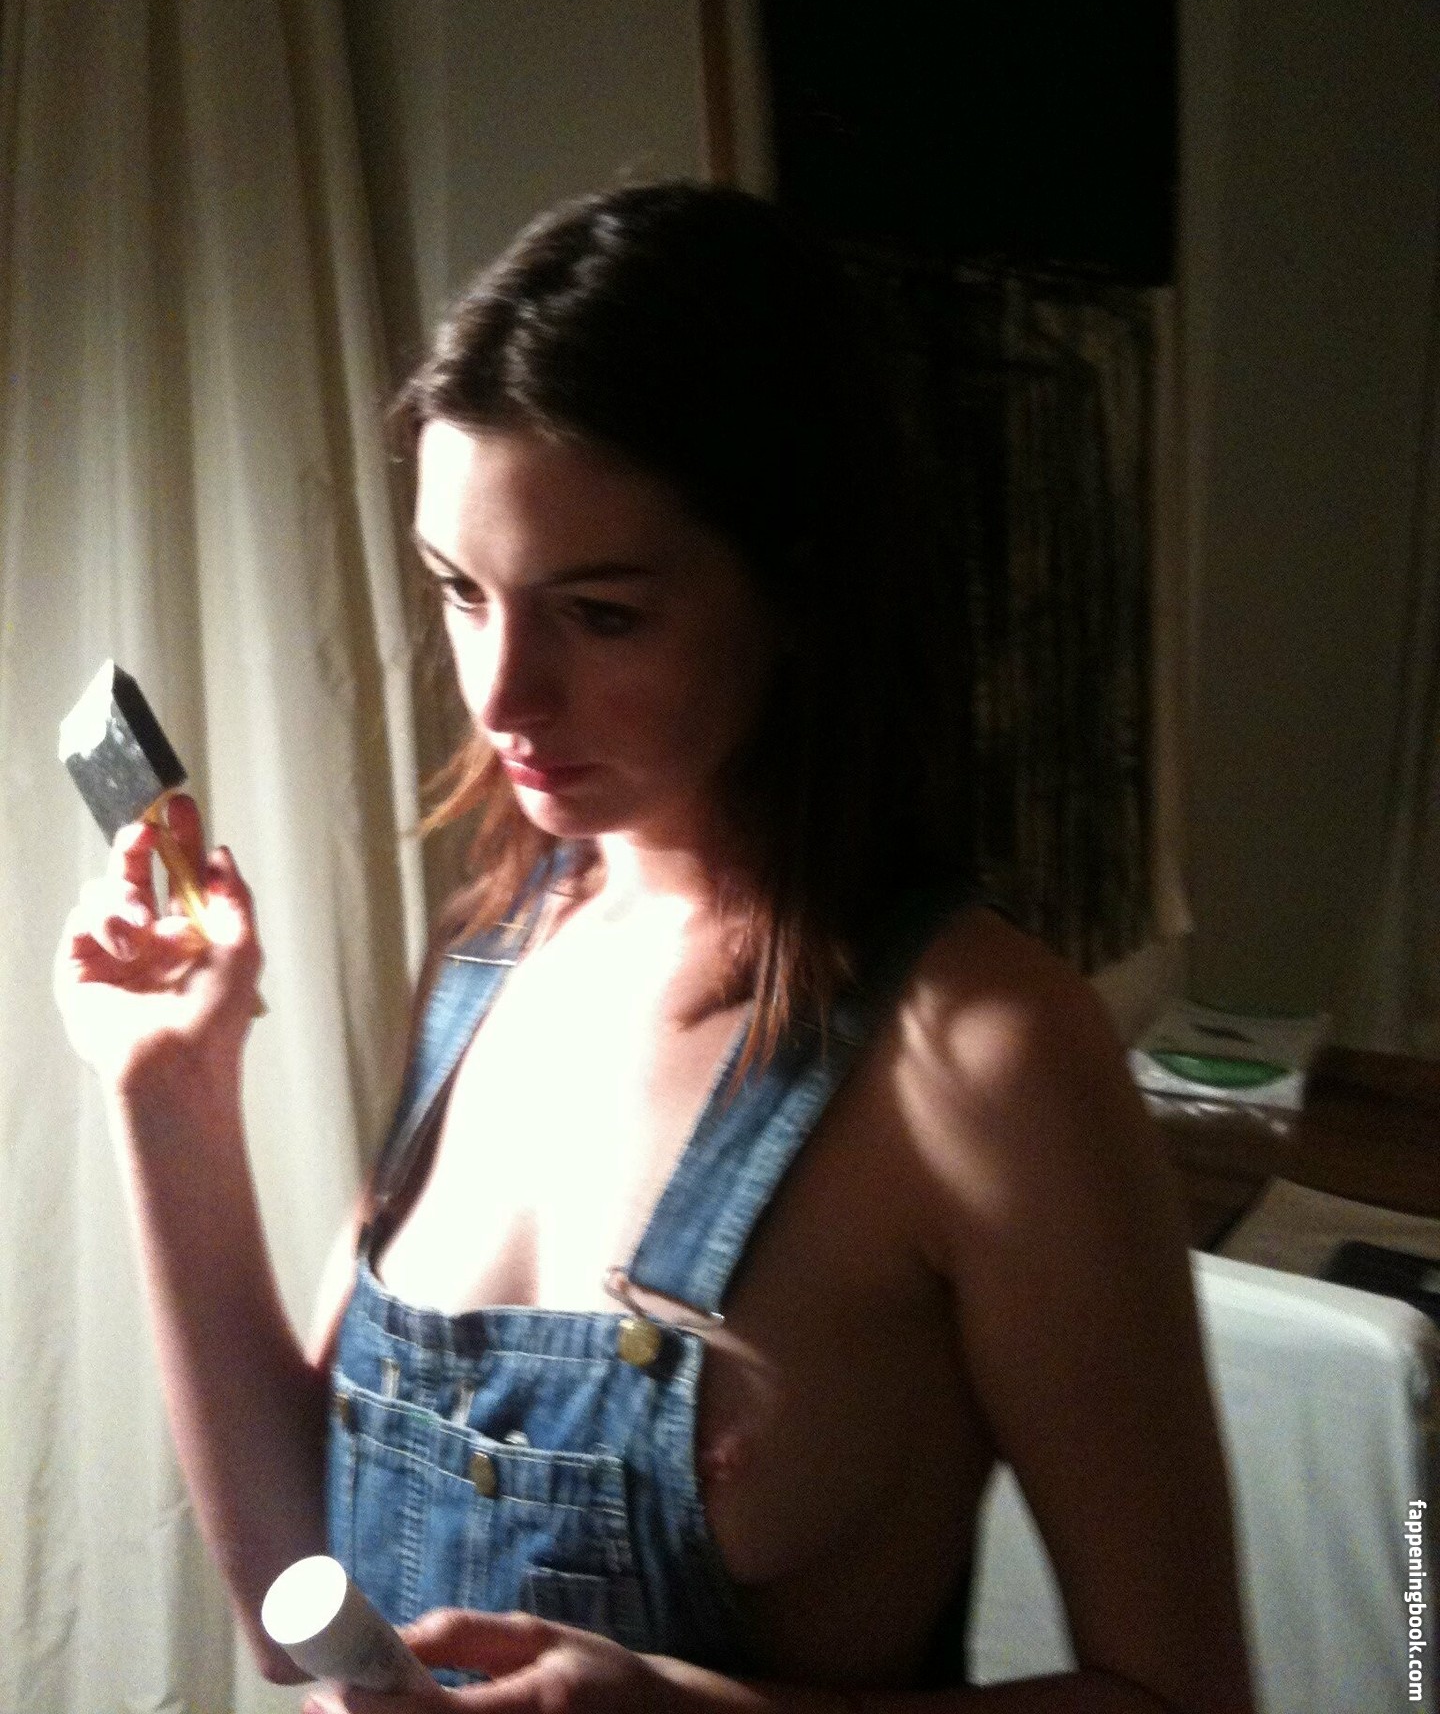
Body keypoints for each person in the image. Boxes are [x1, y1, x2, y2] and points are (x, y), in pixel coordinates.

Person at [54, 183, 1255, 1714]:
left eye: (602, 615)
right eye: (461, 594)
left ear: (798, 588)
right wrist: (171, 1094)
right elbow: (302, 1611)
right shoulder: (491, 955)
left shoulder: (981, 1058)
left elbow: (1186, 1694)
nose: (502, 695)